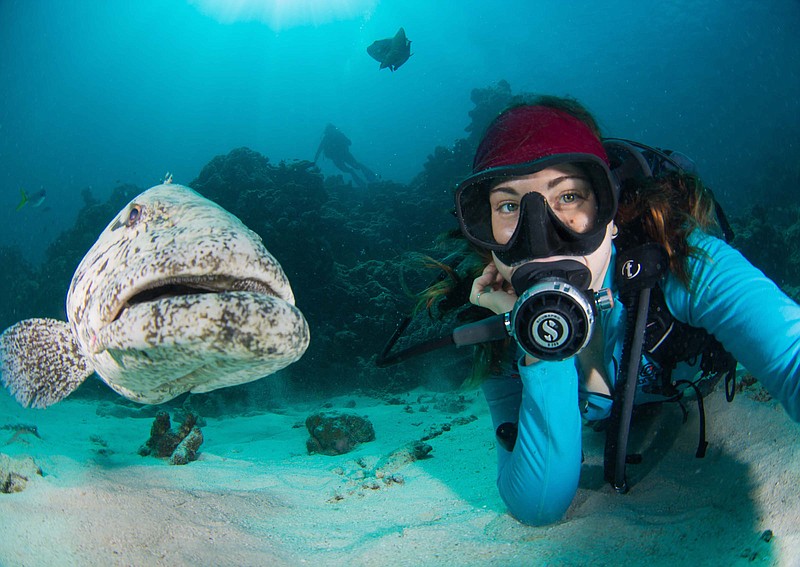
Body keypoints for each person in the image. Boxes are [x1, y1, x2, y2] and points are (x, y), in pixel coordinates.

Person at [443, 96, 800, 526]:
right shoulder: (501, 329)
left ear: (611, 212)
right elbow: (538, 505)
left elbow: (791, 354)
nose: (540, 235)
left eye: (569, 195)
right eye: (507, 205)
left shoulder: (682, 262)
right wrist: (539, 346)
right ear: (485, 234)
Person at [314, 123, 376, 188]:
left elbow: (319, 150)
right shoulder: (329, 138)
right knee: (351, 168)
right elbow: (349, 143)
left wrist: (314, 161)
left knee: (353, 167)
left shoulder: (334, 136)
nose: (332, 132)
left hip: (342, 156)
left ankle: (367, 179)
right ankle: (367, 179)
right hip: (339, 156)